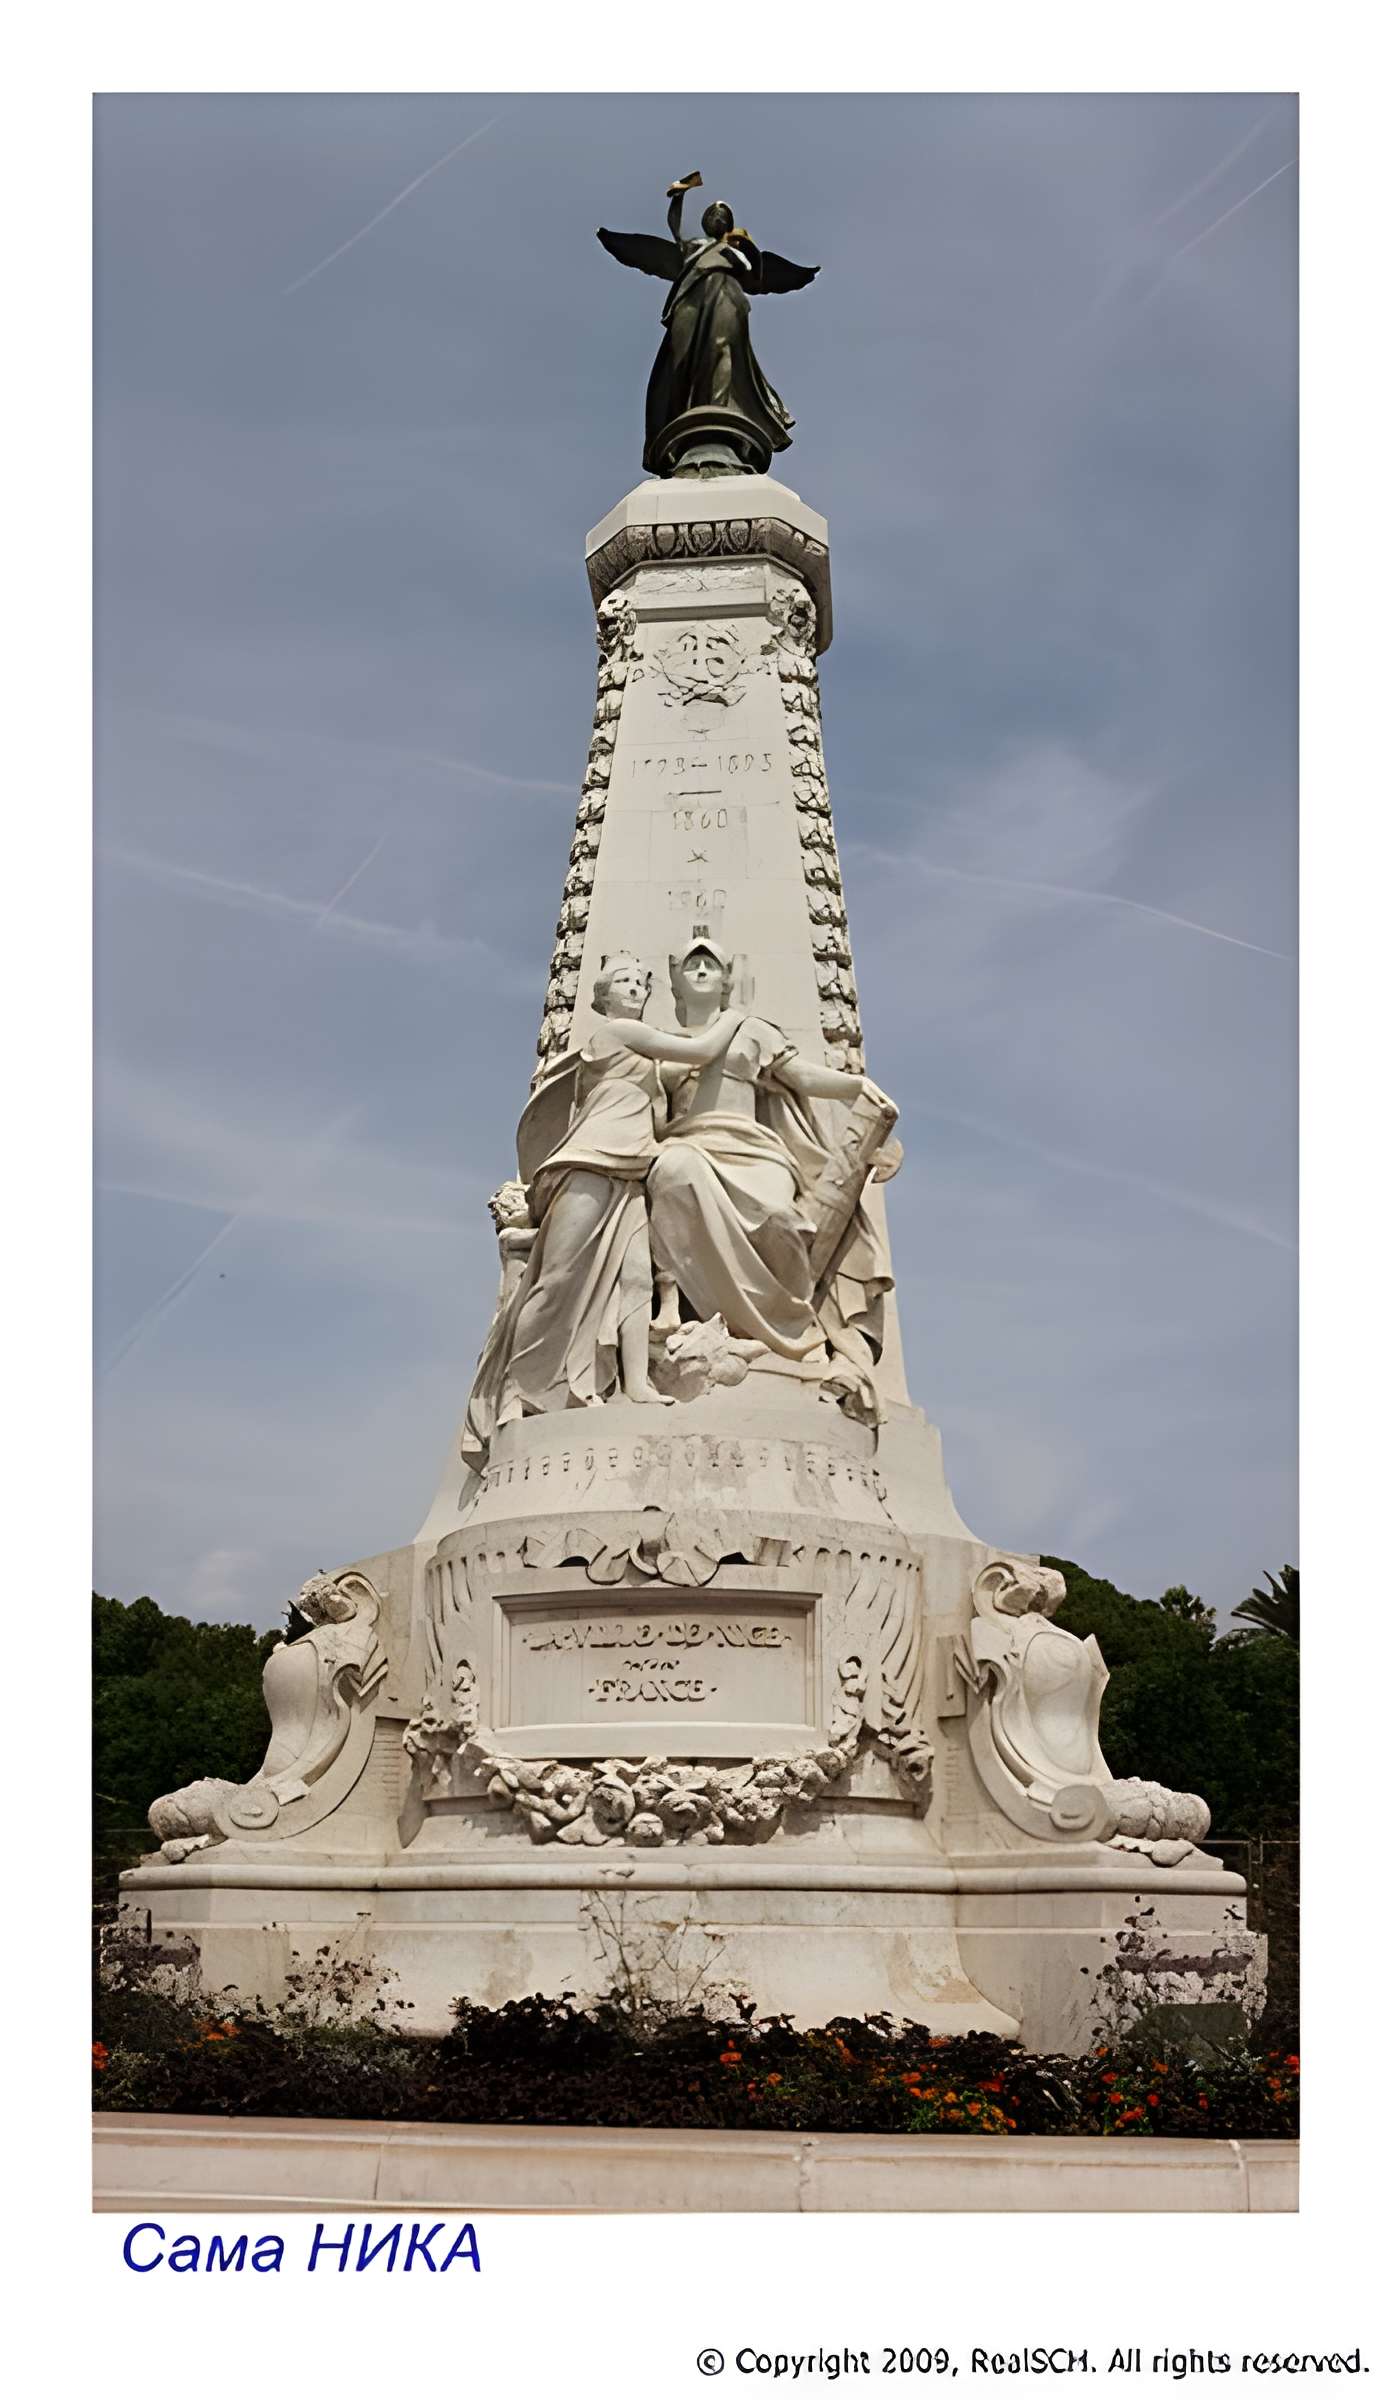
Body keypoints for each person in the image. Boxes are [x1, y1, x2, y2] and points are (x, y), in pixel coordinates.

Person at [461, 956, 743, 1461]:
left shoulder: (645, 1061)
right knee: (557, 1280)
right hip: (589, 1164)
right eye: (624, 981)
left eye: (641, 981)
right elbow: (700, 1048)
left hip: (632, 1173)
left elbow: (685, 1076)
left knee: (636, 1278)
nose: (635, 988)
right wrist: (735, 1016)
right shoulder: (615, 1035)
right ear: (604, 997)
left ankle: (635, 1383)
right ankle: (516, 1389)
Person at [646, 938, 895, 1420]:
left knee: (782, 1218)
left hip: (754, 1149)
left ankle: (786, 1329)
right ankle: (677, 1312)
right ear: (676, 979)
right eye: (692, 964)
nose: (701, 971)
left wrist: (857, 1087)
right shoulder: (660, 1044)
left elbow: (801, 1077)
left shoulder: (751, 1030)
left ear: (725, 980)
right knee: (675, 1170)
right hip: (690, 1140)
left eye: (710, 965)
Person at [597, 175, 818, 475]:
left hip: (727, 299)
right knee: (682, 359)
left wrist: (748, 248)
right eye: (712, 214)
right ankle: (683, 413)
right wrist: (679, 197)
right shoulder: (694, 248)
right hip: (688, 303)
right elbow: (674, 229)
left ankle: (716, 411)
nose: (716, 217)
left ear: (727, 226)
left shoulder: (738, 252)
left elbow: (755, 276)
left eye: (721, 216)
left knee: (721, 350)